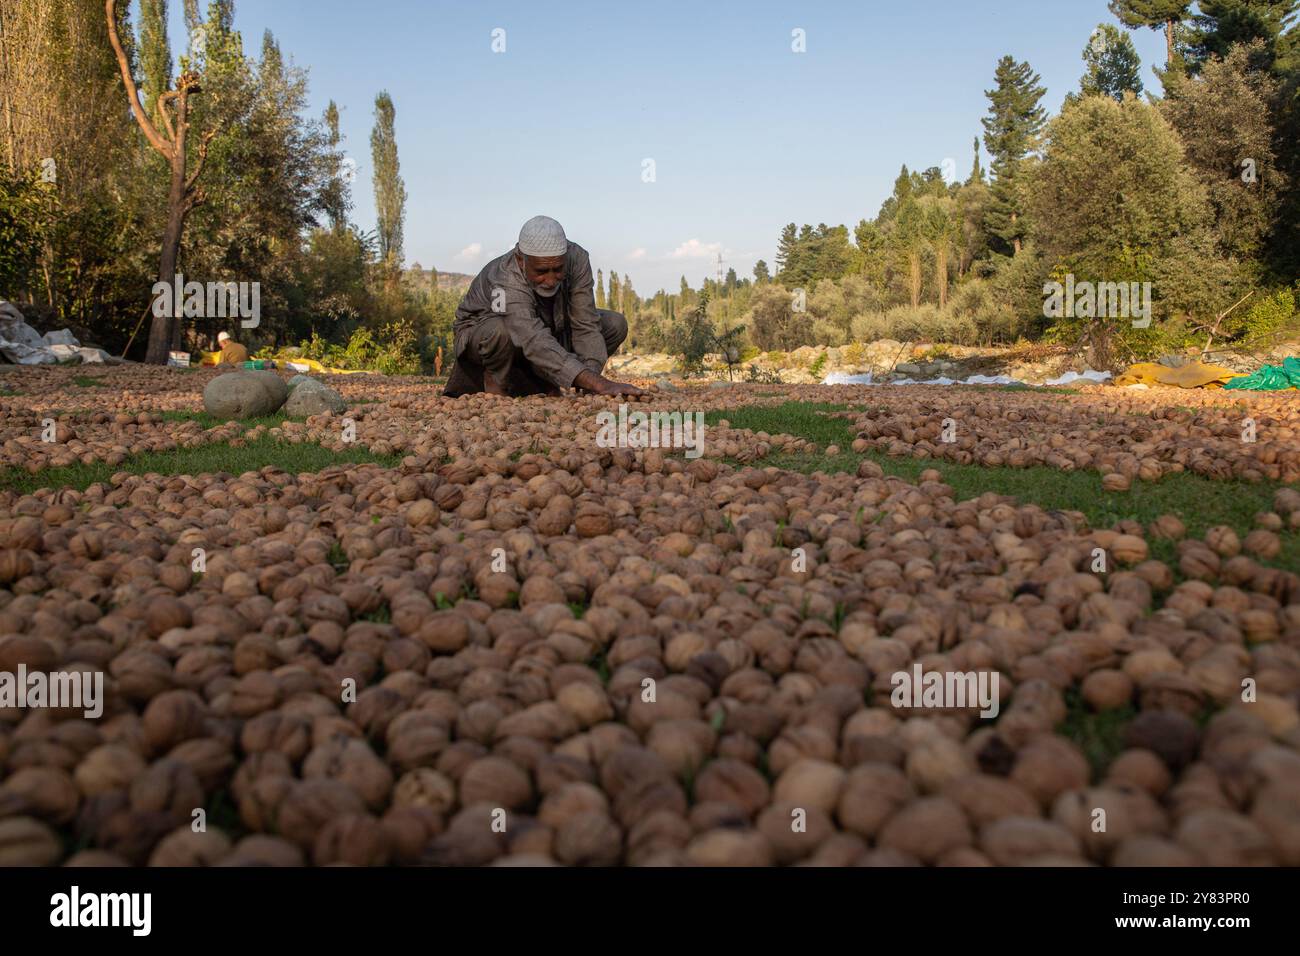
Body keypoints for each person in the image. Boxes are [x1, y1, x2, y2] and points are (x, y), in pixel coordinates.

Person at [443, 215, 643, 398]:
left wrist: (591, 382)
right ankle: (496, 381)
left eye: (558, 269)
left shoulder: (578, 259)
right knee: (500, 330)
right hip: (489, 337)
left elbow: (586, 324)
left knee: (614, 323)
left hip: (547, 325)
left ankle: (549, 381)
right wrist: (600, 384)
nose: (550, 280)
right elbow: (530, 337)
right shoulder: (504, 275)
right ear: (521, 260)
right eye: (541, 271)